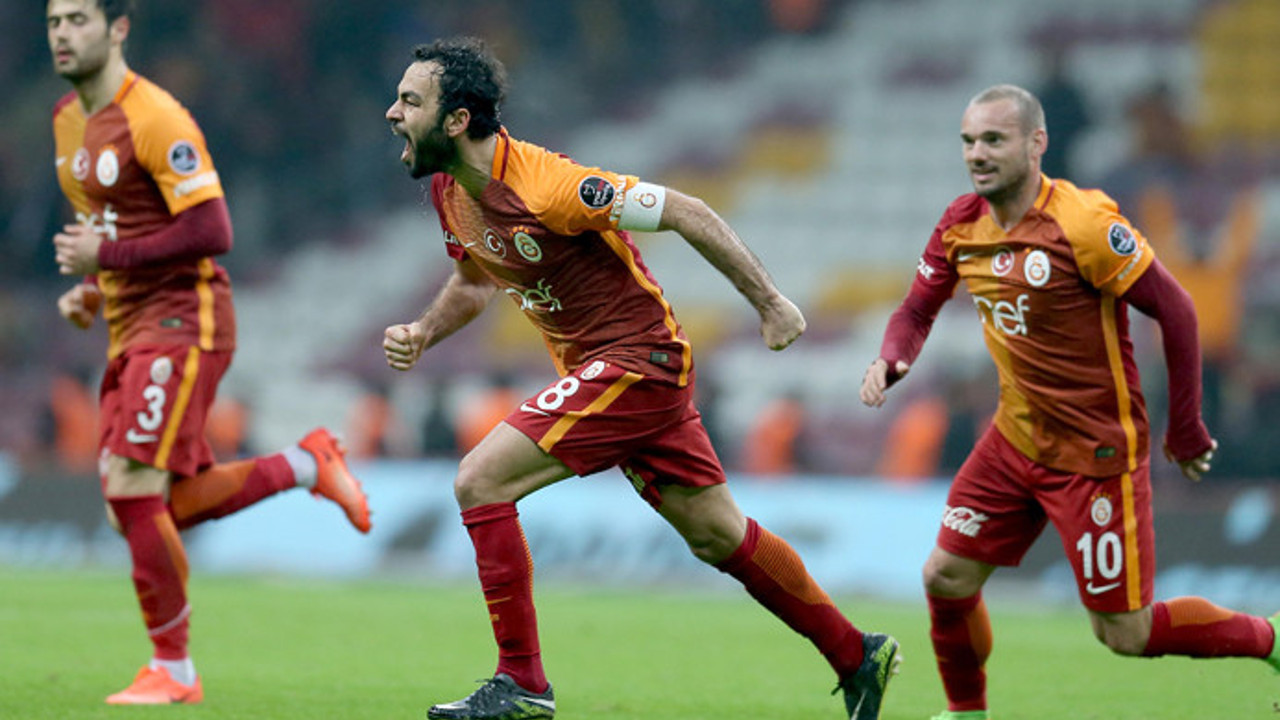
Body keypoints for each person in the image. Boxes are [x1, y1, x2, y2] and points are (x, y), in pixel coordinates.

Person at [381, 36, 898, 720]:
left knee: (480, 480)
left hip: (638, 362)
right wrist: (424, 331)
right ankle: (857, 654)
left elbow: (687, 210)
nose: (393, 113)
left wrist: (770, 303)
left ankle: (523, 684)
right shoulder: (452, 191)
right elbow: (476, 279)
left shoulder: (550, 186)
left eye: (409, 101)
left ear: (455, 120)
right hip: (616, 375)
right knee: (717, 535)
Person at [858, 84, 1280, 720]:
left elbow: (1177, 310)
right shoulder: (961, 223)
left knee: (1125, 634)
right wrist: (892, 357)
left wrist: (1186, 426)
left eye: (993, 139)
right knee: (944, 577)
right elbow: (916, 310)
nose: (977, 153)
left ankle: (1271, 638)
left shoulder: (1084, 225)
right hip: (1014, 440)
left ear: (1037, 144)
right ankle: (967, 713)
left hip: (1095, 454)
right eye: (968, 141)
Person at [46, 0, 372, 705]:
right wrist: (94, 289)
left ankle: (175, 670)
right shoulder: (66, 121)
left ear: (118, 27)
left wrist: (105, 258)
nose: (63, 34)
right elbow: (115, 224)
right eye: (54, 21)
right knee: (142, 505)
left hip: (183, 318)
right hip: (130, 325)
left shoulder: (157, 118)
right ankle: (305, 463)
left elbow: (212, 229)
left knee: (131, 487)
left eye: (78, 19)